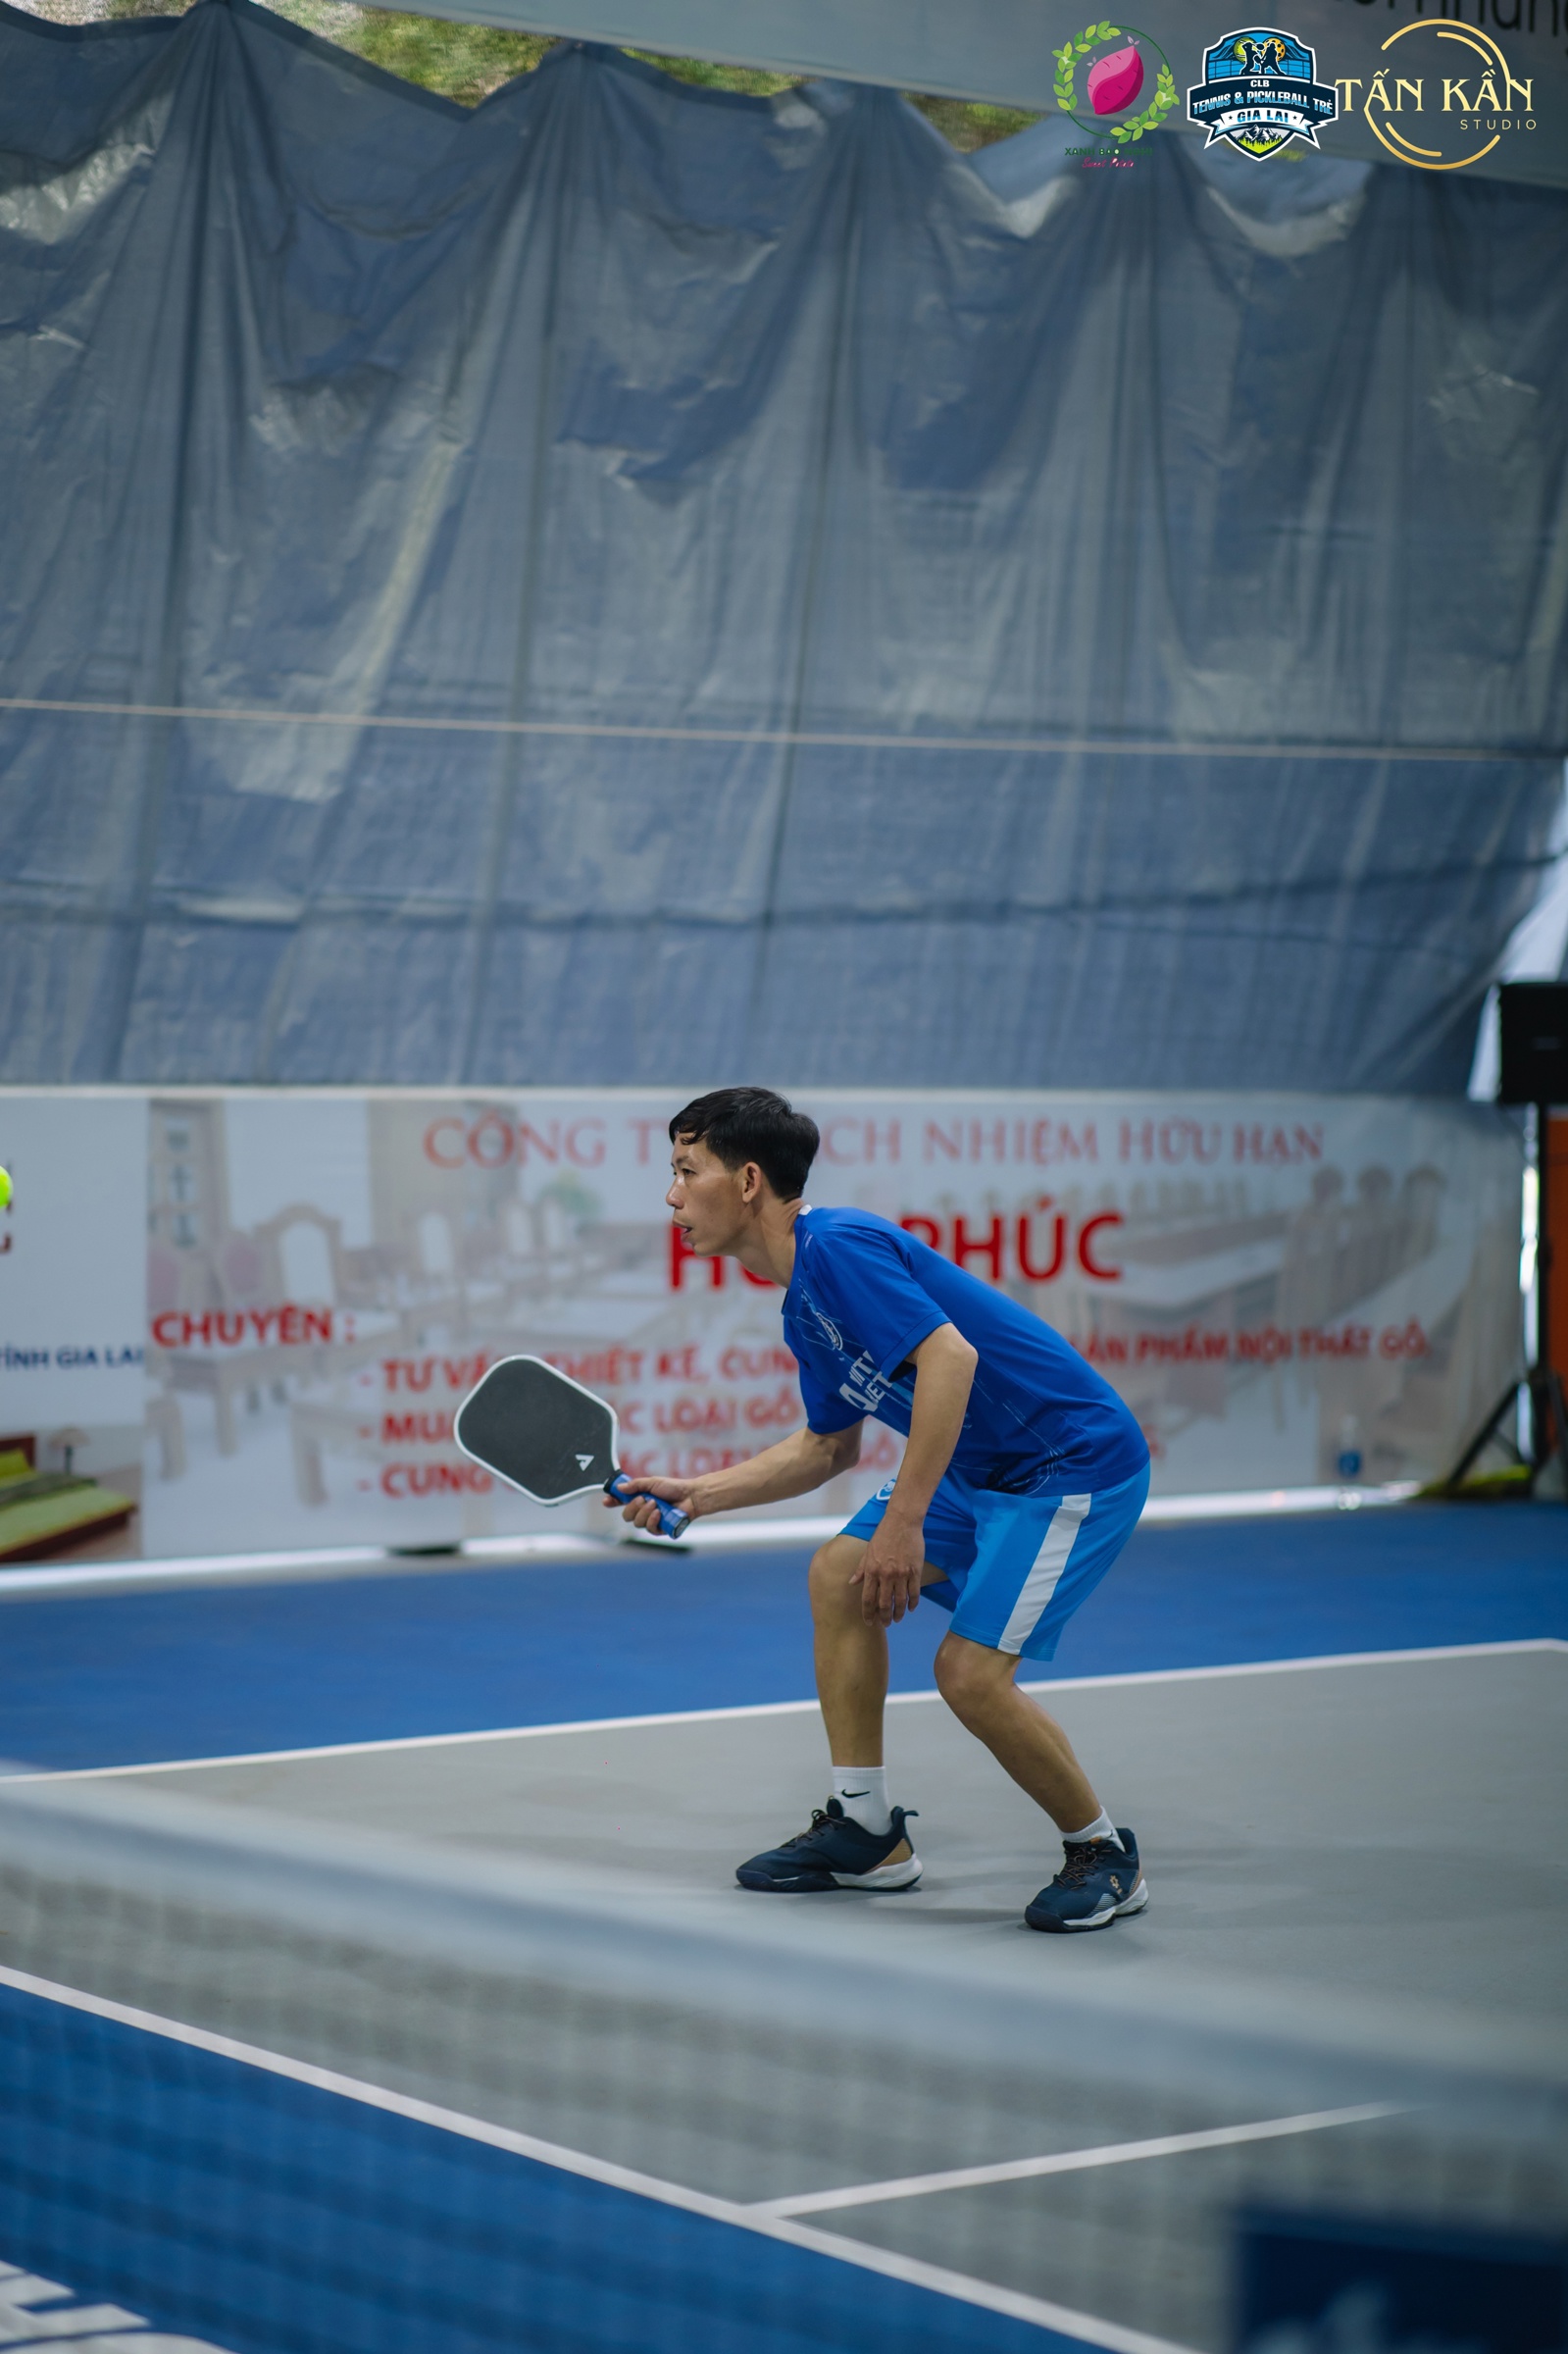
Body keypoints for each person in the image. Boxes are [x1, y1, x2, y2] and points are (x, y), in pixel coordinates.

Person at [614, 1087, 1152, 1933]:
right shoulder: (803, 1306)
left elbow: (950, 1359)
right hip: (978, 1464)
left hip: (1064, 1464)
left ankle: (1102, 1852)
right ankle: (867, 1832)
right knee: (836, 1575)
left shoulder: (837, 1244)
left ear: (748, 1181)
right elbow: (825, 1449)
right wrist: (700, 1494)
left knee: (969, 1675)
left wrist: (902, 1522)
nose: (671, 1195)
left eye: (687, 1171)